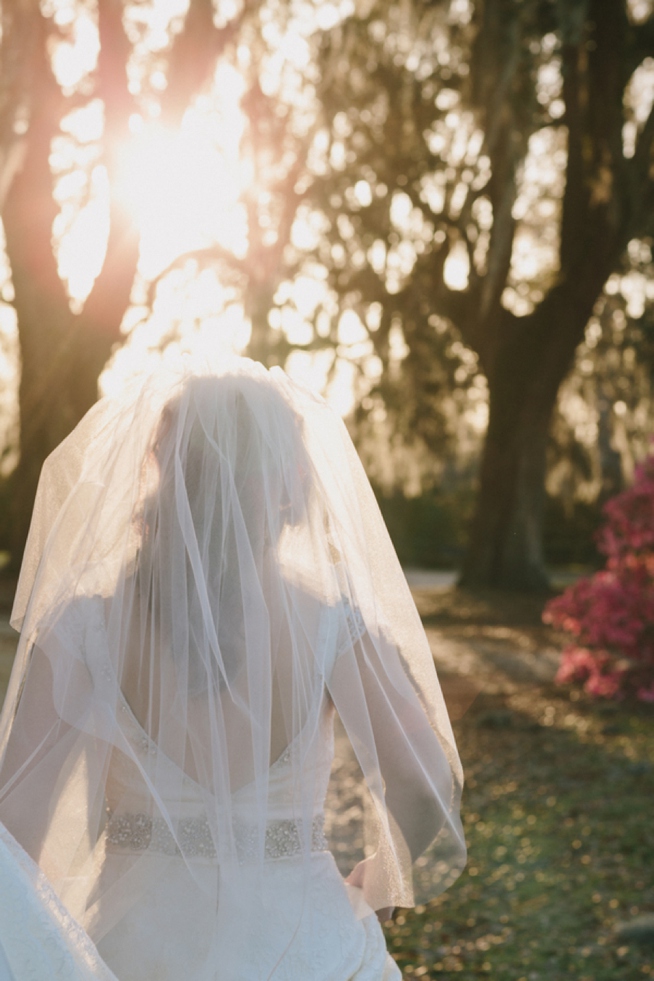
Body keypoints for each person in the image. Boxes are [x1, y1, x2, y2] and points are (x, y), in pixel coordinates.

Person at [0, 356, 466, 981]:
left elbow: (12, 832)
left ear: (163, 475)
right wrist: (374, 884)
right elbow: (423, 781)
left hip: (132, 951)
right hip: (307, 947)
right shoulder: (332, 622)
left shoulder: (86, 624)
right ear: (288, 488)